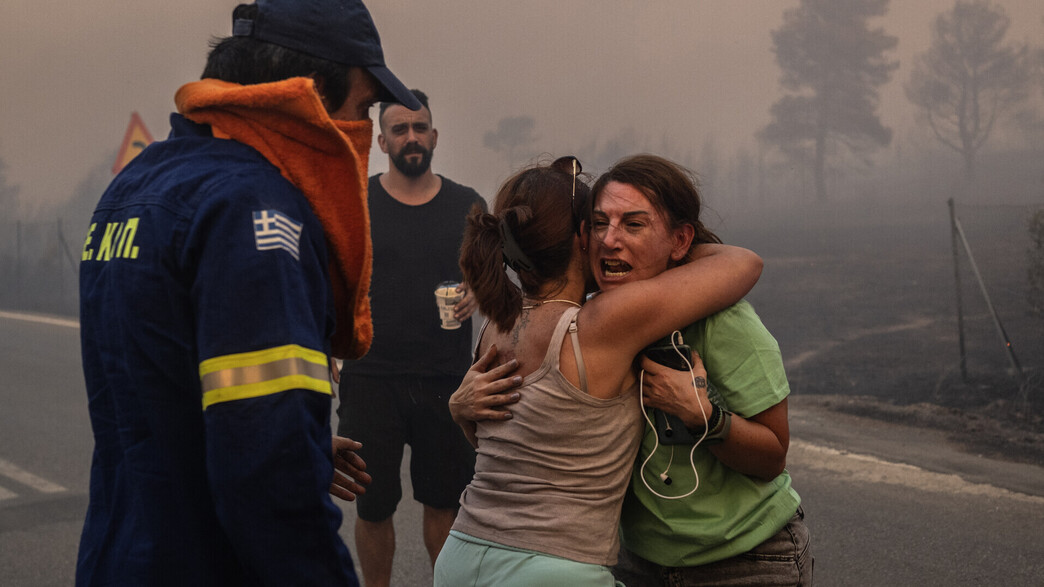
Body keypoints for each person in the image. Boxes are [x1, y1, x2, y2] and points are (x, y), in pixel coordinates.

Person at [76, 1, 420, 584]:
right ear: (305, 98)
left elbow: (165, 395)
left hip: (121, 554)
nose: (360, 130)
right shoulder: (255, 209)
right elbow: (270, 476)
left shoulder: (136, 185)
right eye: (362, 108)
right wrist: (286, 436)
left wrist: (298, 436)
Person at [454, 154, 812, 586]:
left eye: (633, 224)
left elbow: (773, 456)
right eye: (600, 223)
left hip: (742, 559)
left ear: (680, 239)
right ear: (581, 237)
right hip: (639, 561)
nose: (609, 240)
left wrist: (709, 419)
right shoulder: (594, 319)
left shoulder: (724, 321)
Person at [335, 88, 484, 586]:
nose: (412, 137)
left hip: (446, 378)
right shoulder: (358, 200)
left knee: (445, 501)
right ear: (382, 140)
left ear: (435, 136)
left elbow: (491, 278)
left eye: (420, 127)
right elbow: (331, 276)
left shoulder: (467, 205)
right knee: (372, 506)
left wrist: (478, 294)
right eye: (400, 129)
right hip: (370, 376)